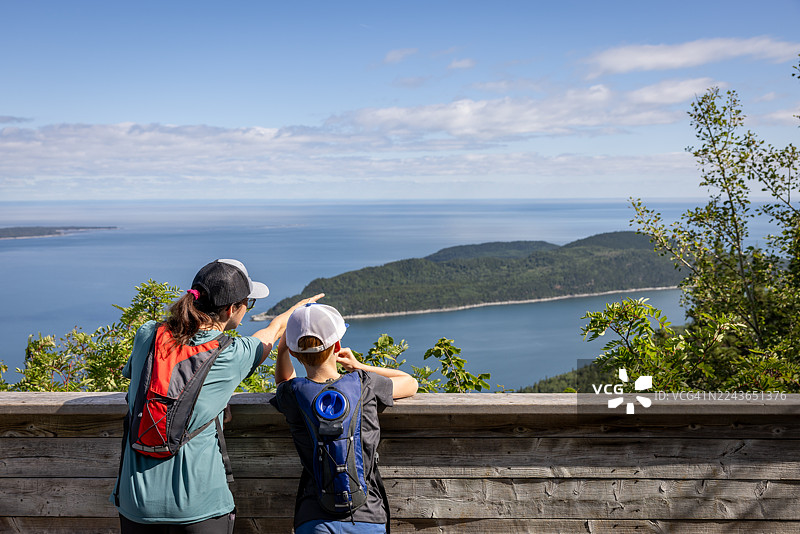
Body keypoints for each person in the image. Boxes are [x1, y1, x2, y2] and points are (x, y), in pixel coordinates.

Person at [111, 258, 322, 533]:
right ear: (231, 309)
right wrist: (298, 310)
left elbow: (146, 384)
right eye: (249, 303)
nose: (248, 309)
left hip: (135, 503)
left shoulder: (148, 334)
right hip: (200, 507)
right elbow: (270, 334)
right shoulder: (231, 354)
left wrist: (216, 404)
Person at [271, 303, 418, 534]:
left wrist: (281, 351)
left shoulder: (292, 393)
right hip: (368, 516)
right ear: (337, 346)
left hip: (313, 518)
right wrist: (359, 366)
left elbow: (282, 383)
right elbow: (410, 382)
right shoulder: (364, 383)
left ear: (293, 353)